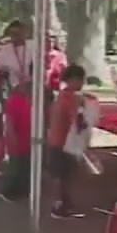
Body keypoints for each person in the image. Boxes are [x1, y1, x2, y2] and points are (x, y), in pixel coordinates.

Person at [46, 64, 88, 219]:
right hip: (64, 141)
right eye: (81, 80)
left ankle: (63, 202)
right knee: (63, 174)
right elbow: (77, 119)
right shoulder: (72, 98)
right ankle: (59, 204)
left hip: (56, 139)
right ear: (74, 79)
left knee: (61, 174)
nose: (82, 83)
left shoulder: (62, 96)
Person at [0, 80, 32, 201]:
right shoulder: (12, 101)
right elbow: (9, 122)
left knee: (24, 166)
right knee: (14, 167)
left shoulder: (27, 100)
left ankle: (20, 189)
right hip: (16, 140)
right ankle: (7, 190)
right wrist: (12, 137)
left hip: (26, 140)